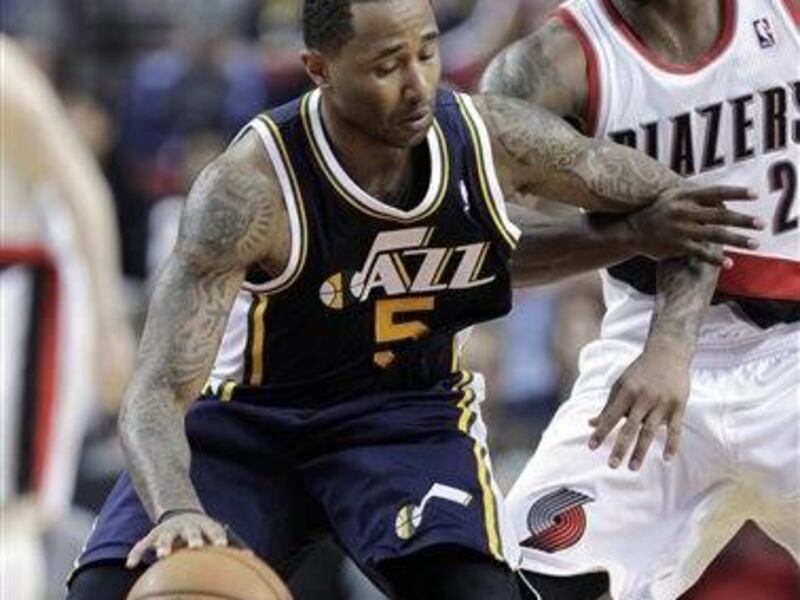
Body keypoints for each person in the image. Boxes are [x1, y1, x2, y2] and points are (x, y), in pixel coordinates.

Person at [65, 1, 761, 598]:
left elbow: (681, 203)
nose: (418, 84)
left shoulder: (489, 136)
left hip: (405, 416)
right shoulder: (250, 189)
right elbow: (155, 391)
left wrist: (667, 338)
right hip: (250, 420)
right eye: (386, 64)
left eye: (428, 51)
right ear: (319, 70)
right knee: (116, 588)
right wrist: (177, 508)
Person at [481, 0, 800, 598]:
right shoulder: (552, 62)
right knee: (515, 581)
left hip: (792, 351)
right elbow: (480, 241)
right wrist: (626, 235)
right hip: (638, 366)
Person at [0, 35, 135, 599]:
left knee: (13, 510)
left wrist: (109, 325)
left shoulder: (4, 73)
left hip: (27, 290)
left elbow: (82, 185)